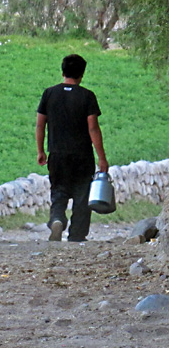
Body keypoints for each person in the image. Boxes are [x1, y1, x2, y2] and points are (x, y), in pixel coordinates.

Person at [36, 54, 108, 242]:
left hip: (57, 154)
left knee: (58, 191)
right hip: (82, 156)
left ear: (63, 71)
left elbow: (40, 124)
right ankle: (77, 235)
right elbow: (93, 127)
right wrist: (102, 157)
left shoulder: (49, 93)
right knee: (82, 196)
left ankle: (57, 219)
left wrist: (41, 150)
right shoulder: (87, 96)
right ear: (82, 74)